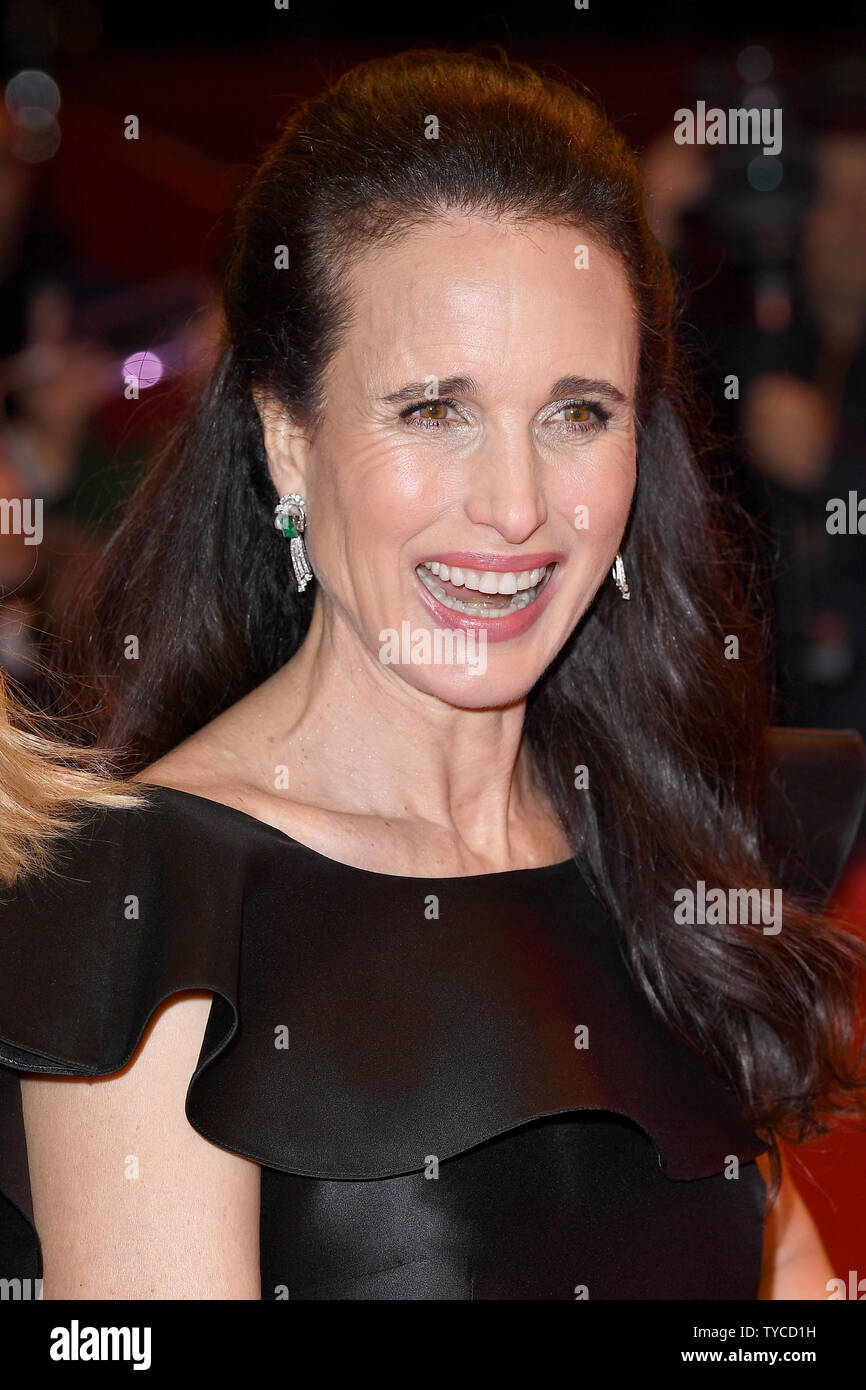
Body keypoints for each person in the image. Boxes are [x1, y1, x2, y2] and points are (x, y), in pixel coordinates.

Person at [1, 49, 865, 1301]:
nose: (515, 507)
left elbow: (778, 1282)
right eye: (430, 410)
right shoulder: (146, 915)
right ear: (285, 437)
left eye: (577, 413)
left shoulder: (665, 838)